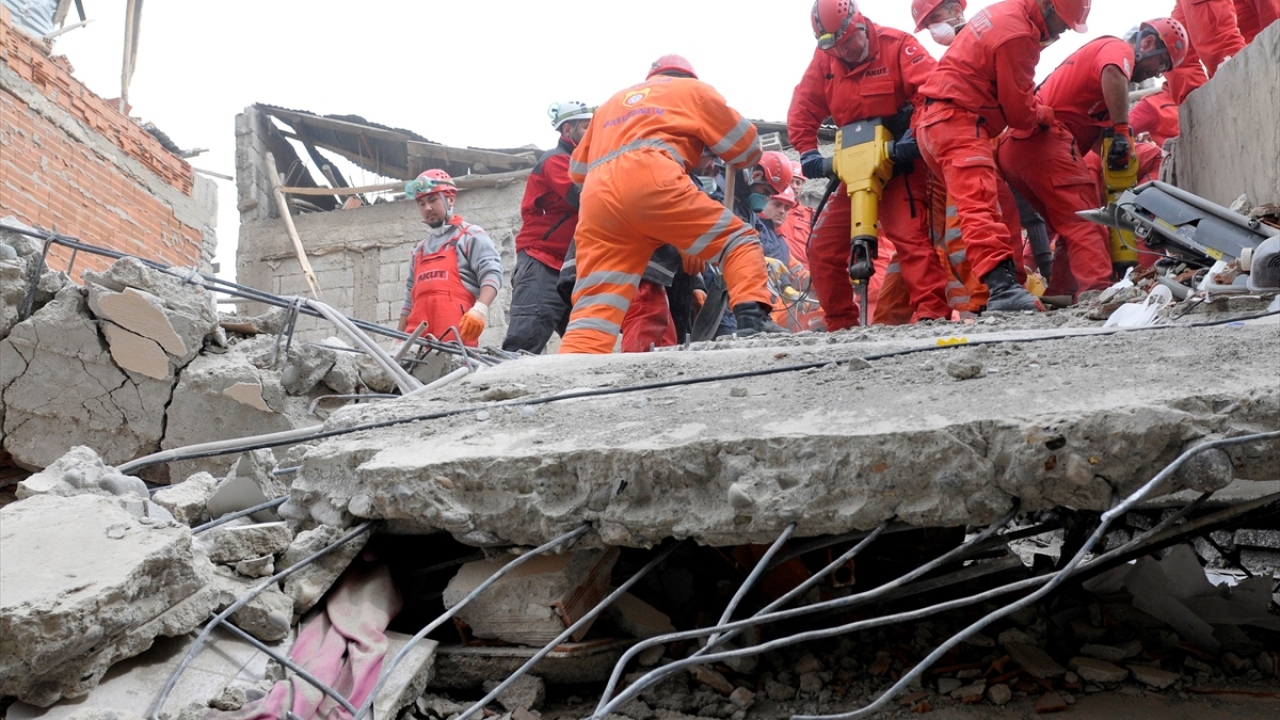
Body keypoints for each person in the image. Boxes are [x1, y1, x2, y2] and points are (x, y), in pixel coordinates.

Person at [559, 54, 780, 354]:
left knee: (594, 308)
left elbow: (577, 173)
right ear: (687, 76)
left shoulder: (610, 105)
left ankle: (571, 372)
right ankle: (754, 321)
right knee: (739, 242)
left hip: (598, 200)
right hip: (653, 178)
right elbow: (746, 149)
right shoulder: (693, 91)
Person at [915, 0, 1093, 312]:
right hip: (959, 120)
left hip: (938, 122)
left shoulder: (1006, 11)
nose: (1062, 33)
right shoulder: (1019, 34)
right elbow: (1020, 113)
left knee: (1000, 206)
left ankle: (1010, 288)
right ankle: (1001, 288)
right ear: (1049, 8)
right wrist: (1045, 114)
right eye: (1063, 24)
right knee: (980, 204)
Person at [788, 0, 952, 329]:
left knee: (910, 238)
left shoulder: (898, 46)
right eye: (837, 48)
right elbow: (803, 108)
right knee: (821, 247)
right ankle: (840, 325)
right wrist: (808, 153)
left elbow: (932, 92)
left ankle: (933, 314)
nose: (845, 53)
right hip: (853, 167)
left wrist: (913, 136)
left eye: (848, 43)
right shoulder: (826, 59)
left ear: (860, 25)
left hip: (898, 161)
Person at [997, 17, 1187, 299]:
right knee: (1086, 221)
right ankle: (1097, 290)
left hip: (1019, 146)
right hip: (1043, 140)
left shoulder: (1099, 77)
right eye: (1161, 65)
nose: (1159, 75)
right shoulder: (1116, 51)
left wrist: (1116, 142)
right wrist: (1122, 131)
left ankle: (1063, 289)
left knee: (1068, 221)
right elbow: (1113, 72)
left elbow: (1096, 130)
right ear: (1147, 44)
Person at [502, 101, 593, 354]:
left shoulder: (584, 165)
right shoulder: (557, 161)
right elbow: (582, 196)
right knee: (524, 343)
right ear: (567, 131)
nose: (593, 133)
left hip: (570, 269)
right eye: (587, 127)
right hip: (542, 264)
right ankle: (506, 390)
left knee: (585, 345)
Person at [399, 170, 504, 347]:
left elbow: (492, 274)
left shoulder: (470, 236)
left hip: (456, 346)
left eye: (433, 200)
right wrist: (398, 341)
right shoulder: (419, 251)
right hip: (415, 348)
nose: (427, 208)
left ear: (450, 199)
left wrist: (480, 309)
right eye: (421, 203)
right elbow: (409, 301)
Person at [776, 160, 815, 268]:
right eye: (791, 181)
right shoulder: (770, 209)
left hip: (807, 276)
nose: (794, 186)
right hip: (780, 271)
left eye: (798, 183)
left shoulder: (812, 215)